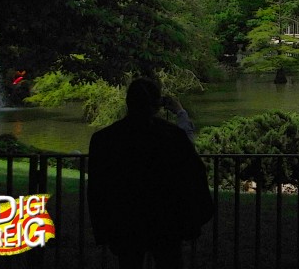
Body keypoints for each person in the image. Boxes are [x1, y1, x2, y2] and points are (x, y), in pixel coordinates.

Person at [88, 79, 213, 269]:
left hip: (126, 221)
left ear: (128, 102)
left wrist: (103, 229)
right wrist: (195, 217)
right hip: (166, 222)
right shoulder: (172, 136)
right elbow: (193, 174)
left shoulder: (104, 139)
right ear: (157, 105)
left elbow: (97, 190)